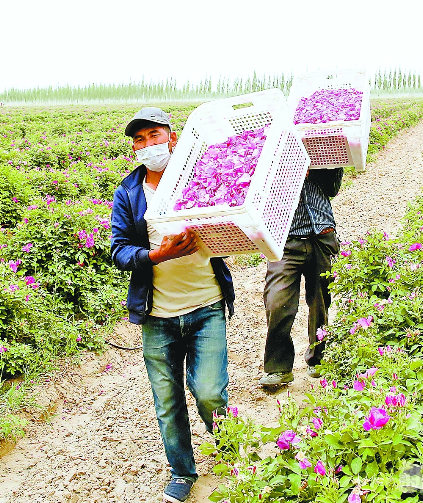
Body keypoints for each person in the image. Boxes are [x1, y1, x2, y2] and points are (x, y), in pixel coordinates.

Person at [110, 107, 235, 503]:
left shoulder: (199, 177)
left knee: (210, 392)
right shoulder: (128, 193)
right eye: (139, 139)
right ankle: (182, 472)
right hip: (158, 314)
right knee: (167, 402)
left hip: (206, 304)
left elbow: (232, 215)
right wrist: (156, 257)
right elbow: (119, 250)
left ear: (172, 136)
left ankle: (228, 445)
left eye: (154, 135)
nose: (148, 145)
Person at [258, 167, 343, 387]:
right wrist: (290, 172)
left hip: (322, 236)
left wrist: (318, 168)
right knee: (277, 300)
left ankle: (318, 358)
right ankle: (279, 368)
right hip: (285, 241)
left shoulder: (321, 146)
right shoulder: (274, 150)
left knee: (321, 300)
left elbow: (332, 189)